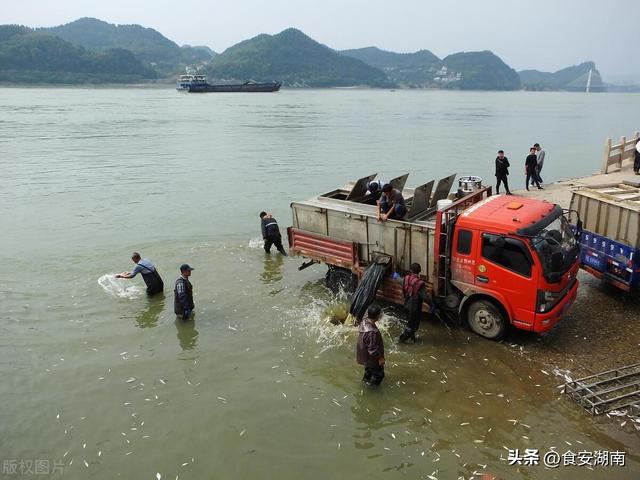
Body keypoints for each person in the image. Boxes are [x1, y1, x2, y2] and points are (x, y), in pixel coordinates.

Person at [356, 304, 385, 386]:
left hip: (366, 357)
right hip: (372, 359)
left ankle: (365, 383)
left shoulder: (364, 321)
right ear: (377, 316)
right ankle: (372, 392)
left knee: (368, 372)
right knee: (379, 375)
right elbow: (372, 349)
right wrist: (380, 358)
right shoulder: (371, 332)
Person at [399, 263, 426, 343]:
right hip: (415, 308)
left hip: (406, 305)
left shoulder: (406, 278)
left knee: (410, 323)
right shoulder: (420, 283)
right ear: (420, 271)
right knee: (412, 326)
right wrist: (432, 305)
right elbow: (425, 297)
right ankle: (400, 341)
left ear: (411, 270)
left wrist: (395, 274)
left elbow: (400, 282)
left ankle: (413, 339)